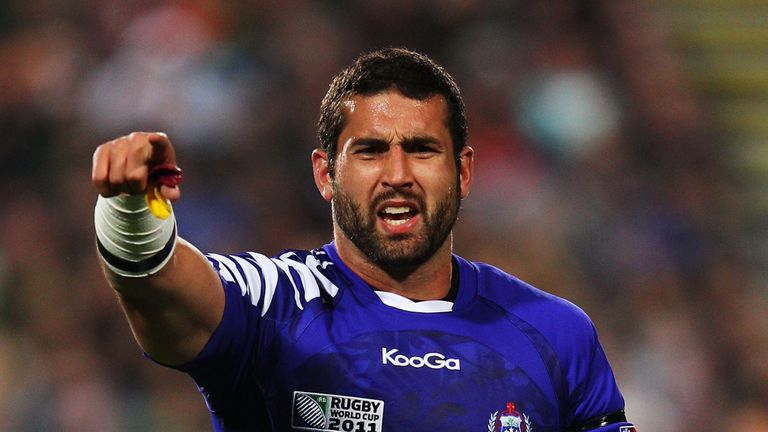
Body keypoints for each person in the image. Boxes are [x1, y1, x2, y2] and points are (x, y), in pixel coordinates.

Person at [91, 48, 636, 431]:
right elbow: (162, 289)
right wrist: (132, 213)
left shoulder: (557, 334)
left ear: (464, 172)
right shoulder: (274, 305)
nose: (397, 173)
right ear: (326, 174)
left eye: (422, 149)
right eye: (371, 151)